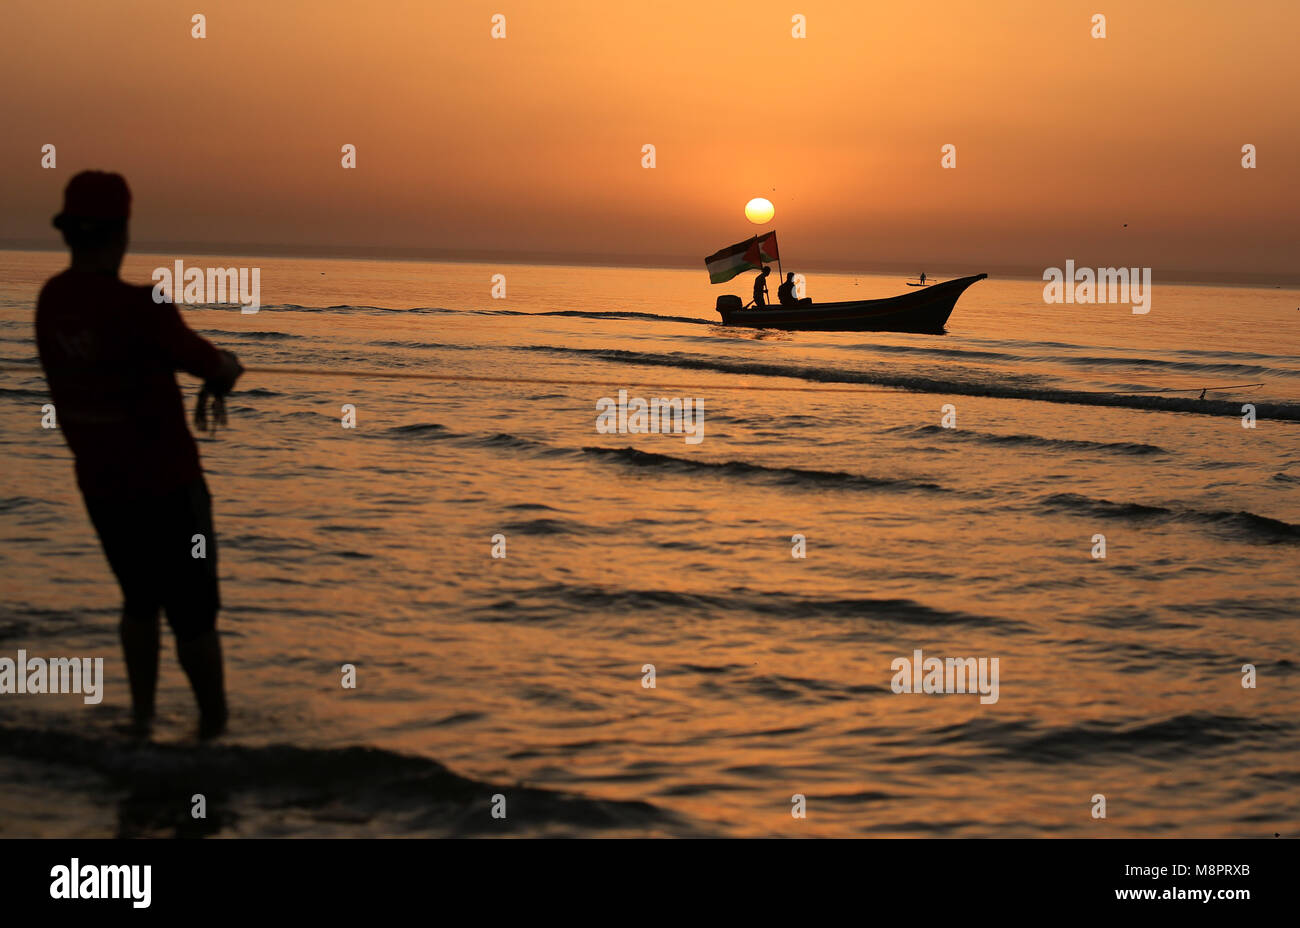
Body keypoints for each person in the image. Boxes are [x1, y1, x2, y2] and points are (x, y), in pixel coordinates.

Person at [36, 171, 243, 739]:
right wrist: (227, 368)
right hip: (168, 487)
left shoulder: (52, 302)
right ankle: (213, 731)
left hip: (102, 488)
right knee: (194, 617)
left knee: (138, 601)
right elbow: (208, 364)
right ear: (121, 231)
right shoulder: (143, 305)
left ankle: (144, 721)